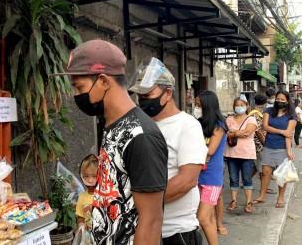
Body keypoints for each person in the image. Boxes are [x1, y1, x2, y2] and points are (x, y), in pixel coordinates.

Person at [51, 40, 168, 244]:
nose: (76, 95)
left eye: (79, 87)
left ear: (104, 81)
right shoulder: (111, 125)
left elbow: (151, 221)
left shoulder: (141, 136)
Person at [129, 57, 207, 245]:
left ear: (168, 93)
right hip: (143, 230)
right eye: (139, 96)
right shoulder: (139, 125)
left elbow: (187, 180)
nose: (142, 101)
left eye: (147, 95)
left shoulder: (188, 126)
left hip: (176, 232)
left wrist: (139, 203)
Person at [253, 91, 297, 207]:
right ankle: (262, 196)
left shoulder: (292, 115)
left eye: (283, 99)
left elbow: (289, 135)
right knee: (266, 172)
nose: (280, 101)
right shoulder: (268, 111)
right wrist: (281, 131)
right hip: (268, 146)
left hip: (282, 148)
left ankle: (280, 198)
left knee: (281, 174)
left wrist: (288, 151)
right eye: (278, 99)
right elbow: (265, 126)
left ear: (287, 101)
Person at [194, 91, 227, 245]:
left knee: (201, 218)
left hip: (212, 178)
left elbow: (210, 150)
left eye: (199, 105)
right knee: (208, 217)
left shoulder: (219, 126)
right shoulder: (200, 124)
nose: (196, 108)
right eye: (195, 105)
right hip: (199, 175)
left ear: (207, 106)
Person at [224, 95, 257, 213]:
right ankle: (233, 201)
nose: (239, 107)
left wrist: (232, 132)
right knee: (233, 178)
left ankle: (248, 203)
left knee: (247, 178)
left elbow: (247, 133)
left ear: (247, 106)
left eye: (241, 105)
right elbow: (225, 133)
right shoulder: (229, 119)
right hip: (231, 153)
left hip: (247, 154)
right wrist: (236, 133)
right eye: (237, 105)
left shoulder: (251, 119)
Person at [248, 95, 269, 184]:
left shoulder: (258, 113)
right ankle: (263, 188)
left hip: (258, 143)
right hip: (258, 144)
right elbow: (258, 132)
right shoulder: (255, 114)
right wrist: (264, 143)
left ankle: (246, 181)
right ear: (265, 104)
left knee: (257, 166)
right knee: (261, 167)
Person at [76, 154, 98, 231]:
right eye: (86, 176)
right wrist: (81, 224)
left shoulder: (106, 196)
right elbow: (80, 217)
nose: (90, 180)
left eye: (94, 176)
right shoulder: (82, 197)